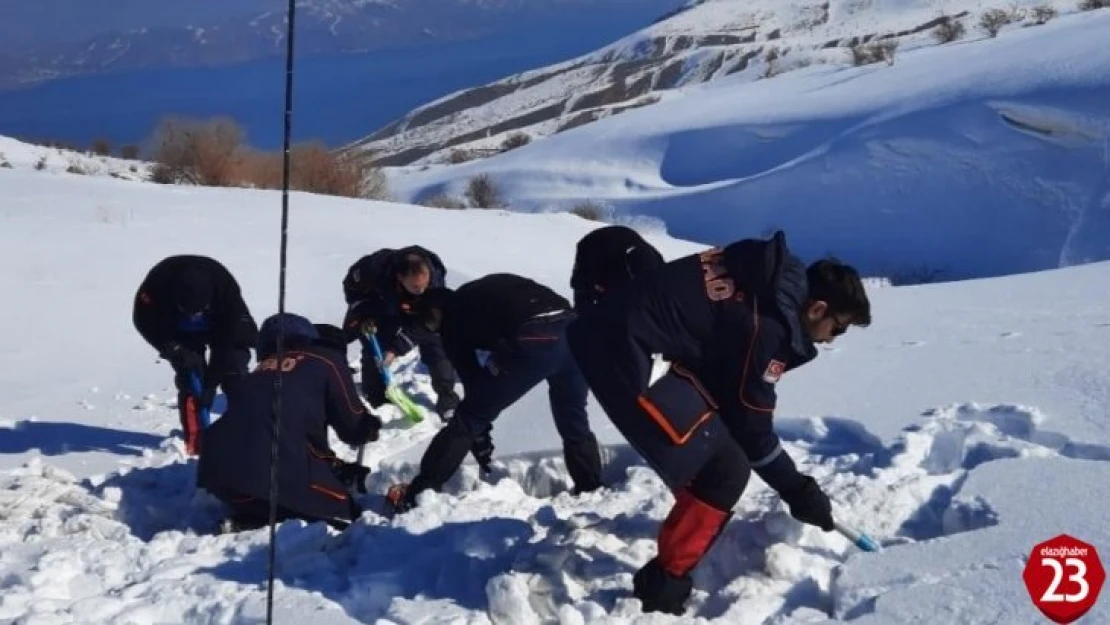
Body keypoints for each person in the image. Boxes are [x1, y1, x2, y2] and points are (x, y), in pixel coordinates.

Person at [565, 230, 871, 615]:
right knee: (726, 469)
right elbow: (755, 430)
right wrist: (799, 491)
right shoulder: (768, 328)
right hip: (621, 355)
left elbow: (727, 370)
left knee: (719, 443)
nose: (831, 340)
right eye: (837, 327)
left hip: (626, 335)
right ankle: (662, 588)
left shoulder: (767, 278)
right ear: (816, 309)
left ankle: (691, 517)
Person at [384, 273, 605, 513]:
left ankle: (417, 494)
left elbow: (474, 385)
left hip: (535, 339)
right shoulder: (476, 292)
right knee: (573, 419)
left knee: (467, 420)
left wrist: (479, 432)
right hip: (574, 332)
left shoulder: (452, 323)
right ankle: (591, 489)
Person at [197, 313, 383, 532]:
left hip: (218, 478)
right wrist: (368, 426)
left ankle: (254, 517)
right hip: (274, 475)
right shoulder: (325, 360)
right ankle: (259, 521)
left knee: (274, 496)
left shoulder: (254, 374)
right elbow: (353, 428)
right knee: (349, 515)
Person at [132, 254, 258, 455]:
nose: (195, 316)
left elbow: (226, 343)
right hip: (178, 329)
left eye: (199, 311)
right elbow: (143, 322)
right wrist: (174, 349)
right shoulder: (156, 286)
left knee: (234, 373)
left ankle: (246, 437)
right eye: (189, 311)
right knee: (191, 379)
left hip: (224, 325)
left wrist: (211, 385)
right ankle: (197, 444)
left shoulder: (225, 288)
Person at [342, 246, 460, 420]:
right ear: (400, 278)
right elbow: (351, 289)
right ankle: (376, 396)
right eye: (415, 286)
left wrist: (396, 350)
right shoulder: (372, 269)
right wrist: (364, 314)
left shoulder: (434, 280)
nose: (421, 290)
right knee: (374, 345)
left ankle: (447, 399)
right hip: (382, 307)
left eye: (424, 284)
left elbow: (427, 324)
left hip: (421, 310)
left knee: (436, 346)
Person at [569, 224, 665, 311]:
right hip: (598, 245)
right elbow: (581, 284)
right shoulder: (592, 254)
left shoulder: (658, 266)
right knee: (587, 297)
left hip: (627, 246)